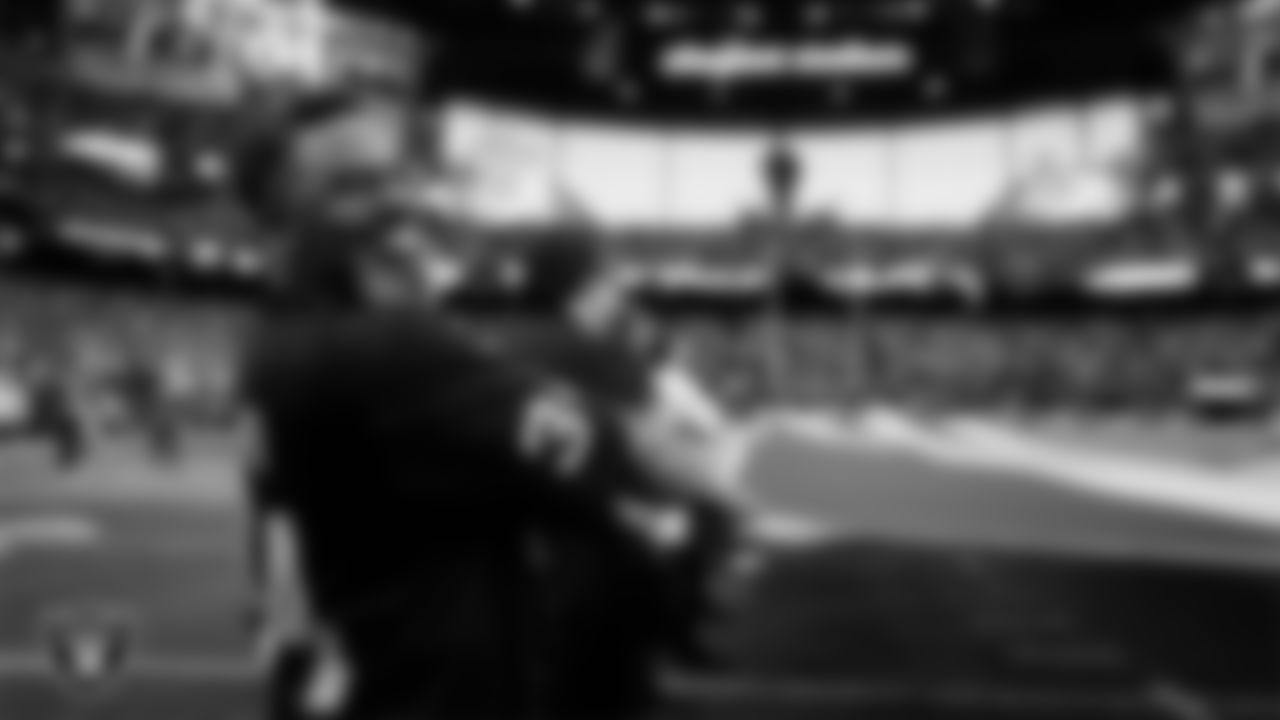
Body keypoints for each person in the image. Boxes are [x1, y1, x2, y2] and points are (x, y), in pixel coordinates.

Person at [235, 90, 599, 720]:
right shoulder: (382, 349)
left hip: (338, 679)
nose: (398, 201)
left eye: (396, 176)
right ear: (278, 218)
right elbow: (594, 459)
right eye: (352, 187)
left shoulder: (280, 339)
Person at [506, 230, 753, 719]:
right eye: (606, 282)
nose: (617, 295)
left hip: (516, 559)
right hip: (593, 561)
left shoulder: (507, 346)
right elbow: (654, 456)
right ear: (580, 288)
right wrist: (724, 492)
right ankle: (673, 643)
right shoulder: (602, 357)